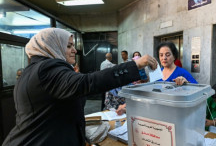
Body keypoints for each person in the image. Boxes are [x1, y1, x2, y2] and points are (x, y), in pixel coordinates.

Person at [2, 28, 157, 146]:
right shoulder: (47, 68)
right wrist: (134, 65)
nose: (75, 50)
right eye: (69, 46)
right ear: (52, 47)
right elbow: (87, 83)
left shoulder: (31, 71)